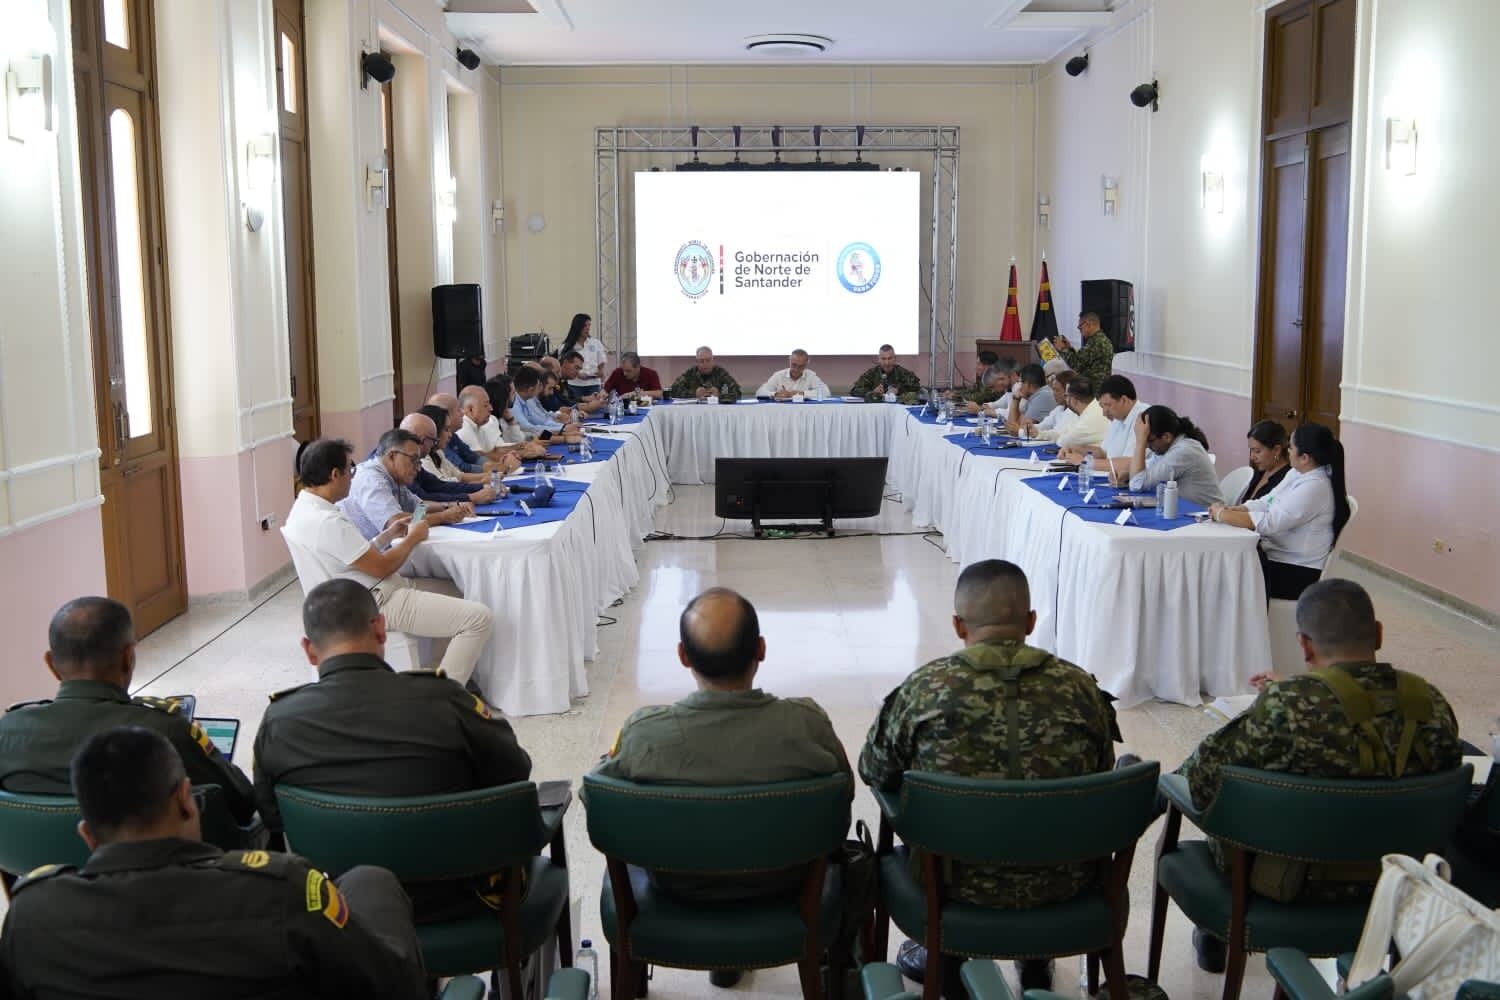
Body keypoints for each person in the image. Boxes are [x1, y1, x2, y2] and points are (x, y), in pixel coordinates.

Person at [0, 725, 430, 998]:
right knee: (372, 883)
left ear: (87, 835)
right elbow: (392, 987)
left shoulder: (31, 916)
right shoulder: (279, 889)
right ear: (186, 801)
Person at [860, 560, 1119, 993]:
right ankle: (1036, 958)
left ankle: (947, 955)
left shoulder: (924, 690)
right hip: (1064, 881)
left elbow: (874, 770)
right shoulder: (1081, 690)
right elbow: (1101, 774)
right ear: (1031, 622)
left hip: (951, 887)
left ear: (959, 625)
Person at [1175, 579, 1460, 968]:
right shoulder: (1432, 704)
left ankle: (1216, 934)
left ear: (1304, 645)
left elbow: (1202, 781)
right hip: (1397, 886)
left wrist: (1274, 703)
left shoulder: (1287, 707)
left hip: (1291, 884)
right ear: (1377, 634)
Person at [591, 587, 851, 989]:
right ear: (761, 650)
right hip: (785, 886)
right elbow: (844, 794)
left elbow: (600, 802)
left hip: (675, 889)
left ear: (682, 656)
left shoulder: (644, 735)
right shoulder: (807, 724)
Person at [254, 580, 532, 922]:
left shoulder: (278, 721)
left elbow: (274, 819)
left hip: (343, 913)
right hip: (463, 900)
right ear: (380, 628)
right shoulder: (445, 700)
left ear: (310, 650)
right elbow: (515, 771)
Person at [0, 597, 259, 835]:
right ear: (128, 657)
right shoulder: (162, 732)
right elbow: (243, 802)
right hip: (162, 881)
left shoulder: (7, 731)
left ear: (51, 664)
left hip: (43, 881)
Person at [282, 438, 493, 685]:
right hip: (372, 600)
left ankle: (439, 672)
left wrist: (387, 536)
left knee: (457, 589)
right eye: (350, 470)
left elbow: (350, 556)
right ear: (334, 474)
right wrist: (412, 538)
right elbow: (382, 566)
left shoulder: (305, 508)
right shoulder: (326, 521)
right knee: (479, 618)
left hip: (357, 589)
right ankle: (446, 695)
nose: (352, 477)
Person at [1207, 423, 1350, 600]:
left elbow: (1270, 523)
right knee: (1224, 566)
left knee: (1227, 575)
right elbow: (1267, 501)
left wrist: (1223, 515)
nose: (1287, 451)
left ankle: (1243, 626)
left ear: (1304, 457)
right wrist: (1235, 509)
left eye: (1291, 447)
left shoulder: (1316, 486)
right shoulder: (1297, 473)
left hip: (1297, 571)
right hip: (1276, 556)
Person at [341, 429, 470, 540]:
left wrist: (450, 506)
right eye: (414, 460)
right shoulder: (371, 479)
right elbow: (396, 523)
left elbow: (419, 507)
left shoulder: (394, 477)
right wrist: (442, 517)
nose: (418, 468)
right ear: (392, 456)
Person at [1123, 405, 1224, 507]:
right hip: (1186, 512)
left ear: (1167, 437)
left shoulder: (1184, 451)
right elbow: (1146, 475)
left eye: (1149, 441)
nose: (1147, 447)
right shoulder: (1168, 446)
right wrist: (1127, 476)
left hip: (1206, 517)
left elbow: (1137, 484)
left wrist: (1140, 441)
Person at [398, 412, 498, 505]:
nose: (434, 445)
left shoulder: (417, 461)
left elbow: (440, 485)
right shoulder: (407, 464)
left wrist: (481, 487)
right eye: (433, 440)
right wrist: (470, 497)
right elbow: (423, 499)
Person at [1071, 374, 1149, 474]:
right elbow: (1103, 453)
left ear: (1124, 400)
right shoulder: (1118, 417)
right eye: (1102, 406)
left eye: (1107, 405)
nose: (1104, 413)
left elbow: (1130, 462)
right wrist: (1076, 449)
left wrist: (1086, 462)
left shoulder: (1142, 418)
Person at [418, 404, 507, 492]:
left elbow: (460, 476)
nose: (450, 435)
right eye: (446, 429)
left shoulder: (438, 452)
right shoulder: (423, 459)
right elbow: (442, 485)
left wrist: (491, 476)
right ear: (434, 431)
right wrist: (481, 482)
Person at [428, 391, 516, 476]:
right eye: (458, 410)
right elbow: (461, 468)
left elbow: (473, 457)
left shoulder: (453, 435)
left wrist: (498, 465)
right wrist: (498, 467)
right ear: (444, 415)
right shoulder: (439, 439)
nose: (463, 413)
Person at [457, 384, 545, 461]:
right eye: (485, 405)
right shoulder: (464, 427)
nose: (491, 408)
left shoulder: (480, 425)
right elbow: (479, 458)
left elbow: (495, 450)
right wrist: (522, 453)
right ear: (470, 409)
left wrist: (522, 446)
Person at [1036, 376, 1108, 451]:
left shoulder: (1091, 417)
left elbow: (1063, 442)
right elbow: (1061, 434)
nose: (1065, 399)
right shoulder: (1086, 410)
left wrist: (1061, 436)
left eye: (1066, 396)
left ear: (1074, 400)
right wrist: (1039, 434)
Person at [513, 367, 582, 439]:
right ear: (531, 389)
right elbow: (530, 428)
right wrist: (562, 429)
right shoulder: (514, 404)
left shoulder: (528, 399)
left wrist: (562, 426)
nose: (540, 387)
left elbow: (543, 417)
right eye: (539, 384)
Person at [1235, 419, 1293, 504]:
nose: (1252, 457)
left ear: (1276, 450)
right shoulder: (1260, 472)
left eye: (1257, 451)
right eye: (1251, 450)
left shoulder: (1287, 479)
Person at [1052, 312, 1114, 387]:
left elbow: (1076, 365)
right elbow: (1082, 360)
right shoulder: (1101, 339)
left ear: (1088, 324)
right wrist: (1069, 348)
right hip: (1099, 387)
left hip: (1094, 389)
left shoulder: (1095, 343)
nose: (1080, 330)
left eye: (1080, 327)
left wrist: (1063, 349)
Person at [557, 312, 607, 397]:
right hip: (574, 385)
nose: (587, 328)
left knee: (594, 408)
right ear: (577, 327)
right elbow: (562, 366)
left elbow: (601, 362)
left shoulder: (596, 343)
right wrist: (578, 374)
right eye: (585, 326)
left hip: (593, 384)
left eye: (589, 326)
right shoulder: (566, 346)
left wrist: (600, 372)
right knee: (576, 407)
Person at [850, 344, 922, 402]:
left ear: (894, 358)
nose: (887, 363)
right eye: (883, 359)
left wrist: (898, 389)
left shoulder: (902, 372)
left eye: (889, 358)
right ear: (878, 359)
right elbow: (854, 390)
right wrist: (872, 392)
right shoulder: (871, 373)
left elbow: (916, 386)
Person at [670, 346, 743, 401]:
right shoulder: (690, 373)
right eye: (701, 361)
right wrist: (694, 394)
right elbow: (673, 391)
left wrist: (719, 395)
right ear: (697, 362)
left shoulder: (721, 373)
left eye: (708, 360)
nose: (705, 364)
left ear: (712, 360)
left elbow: (737, 392)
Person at [1002, 363, 1057, 434]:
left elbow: (1015, 429)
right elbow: (1014, 426)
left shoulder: (1043, 396)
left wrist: (1015, 400)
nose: (1019, 386)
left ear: (1028, 384)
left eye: (1020, 382)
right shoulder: (1038, 395)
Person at [756, 349, 830, 400]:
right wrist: (776, 394)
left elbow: (826, 392)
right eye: (794, 365)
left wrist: (800, 393)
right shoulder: (779, 375)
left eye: (801, 366)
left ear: (806, 364)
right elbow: (759, 392)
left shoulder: (811, 375)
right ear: (789, 360)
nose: (796, 369)